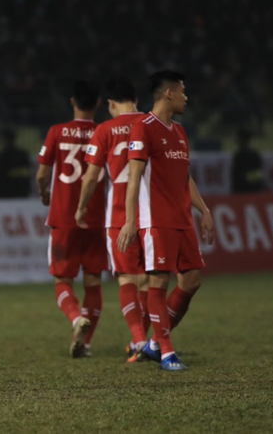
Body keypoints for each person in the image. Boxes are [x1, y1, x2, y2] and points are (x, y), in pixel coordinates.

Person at [117, 70, 216, 371]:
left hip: (182, 219)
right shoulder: (143, 128)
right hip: (156, 220)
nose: (187, 97)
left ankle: (155, 343)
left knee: (191, 281)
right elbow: (133, 179)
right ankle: (167, 353)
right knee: (158, 281)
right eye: (183, 91)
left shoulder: (180, 132)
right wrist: (131, 220)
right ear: (169, 93)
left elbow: (184, 177)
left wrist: (204, 210)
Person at [75, 77, 150, 362]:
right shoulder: (151, 124)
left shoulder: (105, 129)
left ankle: (140, 341)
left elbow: (92, 175)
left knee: (126, 279)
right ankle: (141, 340)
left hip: (119, 214)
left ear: (109, 104)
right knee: (148, 281)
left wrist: (81, 207)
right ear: (137, 100)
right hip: (151, 214)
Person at [35, 80, 107, 358]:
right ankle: (86, 344)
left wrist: (44, 193)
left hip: (64, 218)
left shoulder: (57, 132)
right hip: (97, 217)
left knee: (62, 280)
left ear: (72, 101)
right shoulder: (104, 132)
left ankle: (77, 318)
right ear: (98, 103)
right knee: (93, 281)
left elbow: (42, 174)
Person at [0, 127, 33, 198]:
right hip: (20, 191)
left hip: (9, 191)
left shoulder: (4, 156)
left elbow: (0, 177)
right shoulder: (22, 154)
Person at [231, 129, 265, 193]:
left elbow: (236, 176)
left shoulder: (239, 156)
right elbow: (258, 175)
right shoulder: (254, 155)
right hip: (253, 189)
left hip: (242, 190)